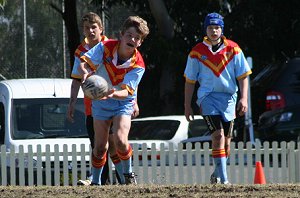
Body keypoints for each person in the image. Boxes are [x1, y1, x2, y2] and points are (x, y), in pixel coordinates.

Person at [76, 15, 149, 185]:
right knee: (100, 147)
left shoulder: (138, 65)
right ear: (121, 34)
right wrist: (86, 72)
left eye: (137, 38)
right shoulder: (105, 47)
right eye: (130, 35)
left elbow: (125, 92)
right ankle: (96, 181)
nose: (132, 39)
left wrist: (111, 93)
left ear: (140, 43)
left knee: (121, 140)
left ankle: (128, 175)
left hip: (122, 102)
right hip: (100, 102)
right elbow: (83, 63)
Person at [183, 12, 252, 184]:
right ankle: (224, 180)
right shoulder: (196, 52)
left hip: (229, 99)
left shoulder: (234, 49)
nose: (214, 31)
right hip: (207, 98)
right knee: (218, 136)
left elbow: (243, 76)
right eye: (210, 27)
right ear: (205, 30)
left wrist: (244, 99)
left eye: (217, 27)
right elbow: (190, 81)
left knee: (227, 143)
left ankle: (217, 173)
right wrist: (187, 105)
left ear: (222, 29)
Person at [67, 12, 126, 185]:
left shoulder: (112, 46)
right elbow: (76, 80)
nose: (91, 31)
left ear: (101, 29)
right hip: (91, 106)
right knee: (99, 145)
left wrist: (134, 100)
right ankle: (100, 179)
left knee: (114, 143)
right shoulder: (80, 51)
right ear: (83, 30)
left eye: (94, 27)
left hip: (115, 102)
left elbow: (127, 75)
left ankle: (123, 177)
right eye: (87, 28)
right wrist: (71, 104)